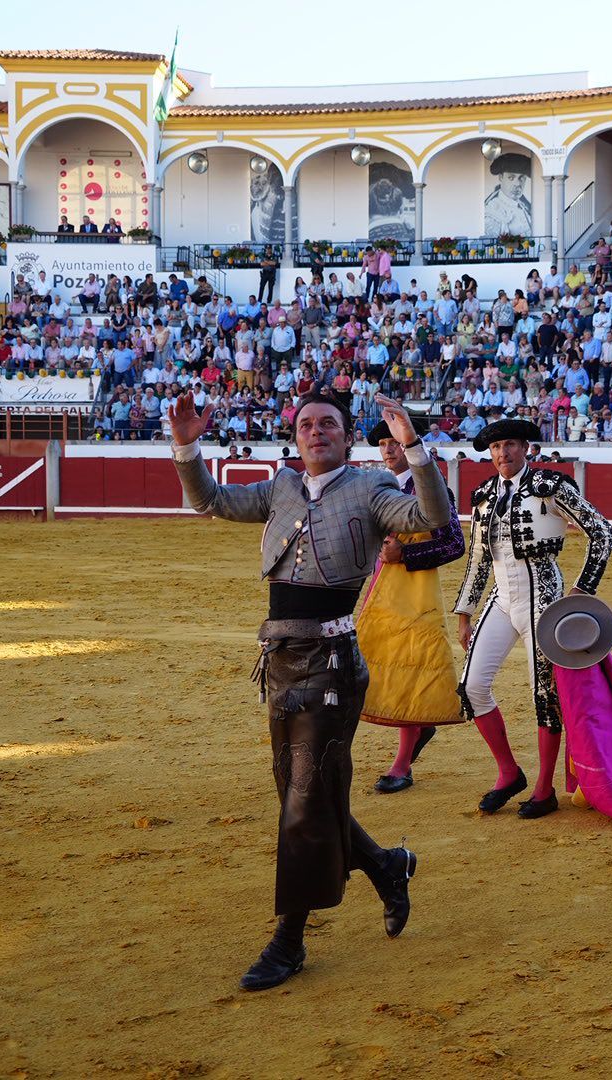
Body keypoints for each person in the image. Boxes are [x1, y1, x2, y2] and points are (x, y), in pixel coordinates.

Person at [165, 388, 451, 992]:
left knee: (302, 802)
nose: (316, 432)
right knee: (307, 796)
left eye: (328, 425)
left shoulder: (373, 490)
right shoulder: (279, 487)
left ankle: (289, 941)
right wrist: (188, 446)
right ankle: (386, 865)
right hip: (280, 660)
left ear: (347, 437)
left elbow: (432, 519)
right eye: (306, 425)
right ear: (295, 437)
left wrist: (415, 450)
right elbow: (208, 502)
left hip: (332, 665)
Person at [452, 417, 612, 819]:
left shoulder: (551, 486)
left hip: (544, 597)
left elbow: (603, 532)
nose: (503, 453)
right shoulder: (484, 495)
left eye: (510, 445)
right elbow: (477, 557)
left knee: (545, 695)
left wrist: (583, 589)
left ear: (526, 448)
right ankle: (509, 773)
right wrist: (464, 611)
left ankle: (544, 789)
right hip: (502, 598)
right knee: (471, 687)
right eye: (495, 448)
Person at [356, 419, 467, 793]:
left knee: (409, 672)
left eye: (395, 442)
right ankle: (418, 729)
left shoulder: (432, 490)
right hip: (381, 591)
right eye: (383, 444)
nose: (388, 449)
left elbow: (454, 544)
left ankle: (402, 763)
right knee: (374, 665)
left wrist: (406, 553)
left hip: (417, 594)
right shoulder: (375, 488)